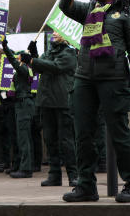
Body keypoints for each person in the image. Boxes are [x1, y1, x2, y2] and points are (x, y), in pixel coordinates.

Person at [59, 0, 130, 203]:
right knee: (83, 134)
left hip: (114, 79)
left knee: (119, 133)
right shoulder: (89, 9)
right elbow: (64, 6)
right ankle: (86, 186)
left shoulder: (127, 13)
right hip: (84, 79)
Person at [29, 31, 78, 187]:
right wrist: (34, 56)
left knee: (66, 141)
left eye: (58, 31)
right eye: (54, 31)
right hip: (46, 102)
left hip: (62, 102)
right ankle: (54, 175)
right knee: (50, 140)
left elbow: (55, 67)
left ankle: (73, 175)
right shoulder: (49, 51)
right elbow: (41, 67)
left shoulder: (69, 52)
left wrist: (32, 60)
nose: (54, 33)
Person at [1, 42, 35, 178]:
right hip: (22, 103)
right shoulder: (26, 68)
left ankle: (26, 169)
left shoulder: (23, 69)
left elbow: (13, 61)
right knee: (24, 137)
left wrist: (5, 48)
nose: (17, 58)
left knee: (23, 138)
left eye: (19, 56)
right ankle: (24, 165)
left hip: (24, 103)